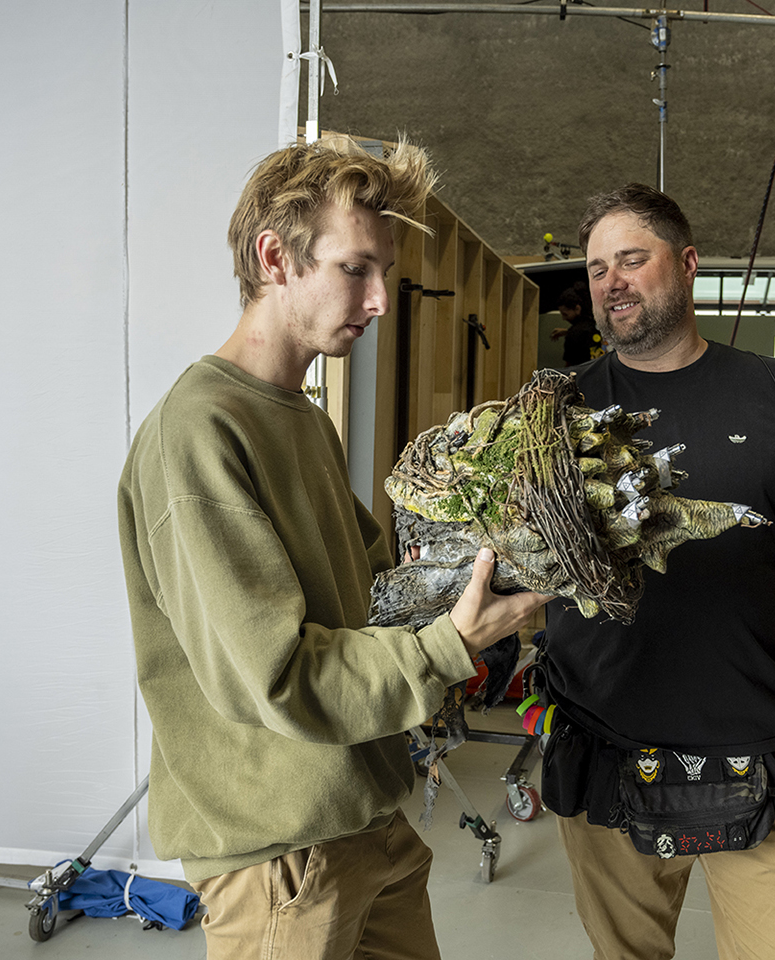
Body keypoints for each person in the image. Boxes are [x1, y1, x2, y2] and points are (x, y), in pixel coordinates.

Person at [115, 137, 549, 960]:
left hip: (368, 820)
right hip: (282, 855)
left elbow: (375, 585)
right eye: (357, 268)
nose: (381, 298)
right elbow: (278, 676)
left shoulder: (302, 414)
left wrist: (498, 549)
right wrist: (452, 646)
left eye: (382, 269)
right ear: (274, 257)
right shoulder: (199, 433)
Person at [540, 183, 775, 960]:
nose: (610, 282)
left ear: (686, 265)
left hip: (769, 748)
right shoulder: (555, 413)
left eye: (631, 259)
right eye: (595, 270)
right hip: (604, 747)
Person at [550, 280, 605, 366]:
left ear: (577, 309)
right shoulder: (597, 323)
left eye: (565, 314)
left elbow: (570, 367)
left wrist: (570, 333)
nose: (563, 318)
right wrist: (567, 331)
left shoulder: (574, 334)